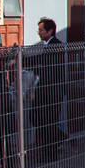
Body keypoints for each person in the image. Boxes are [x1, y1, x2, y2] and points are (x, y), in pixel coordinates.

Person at [32, 17, 65, 159]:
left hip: (51, 92)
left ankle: (50, 152)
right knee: (44, 120)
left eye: (41, 30)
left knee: (47, 121)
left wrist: (22, 60)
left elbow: (41, 62)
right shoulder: (49, 45)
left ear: (50, 31)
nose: (39, 32)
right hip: (50, 91)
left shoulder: (55, 46)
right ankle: (52, 147)